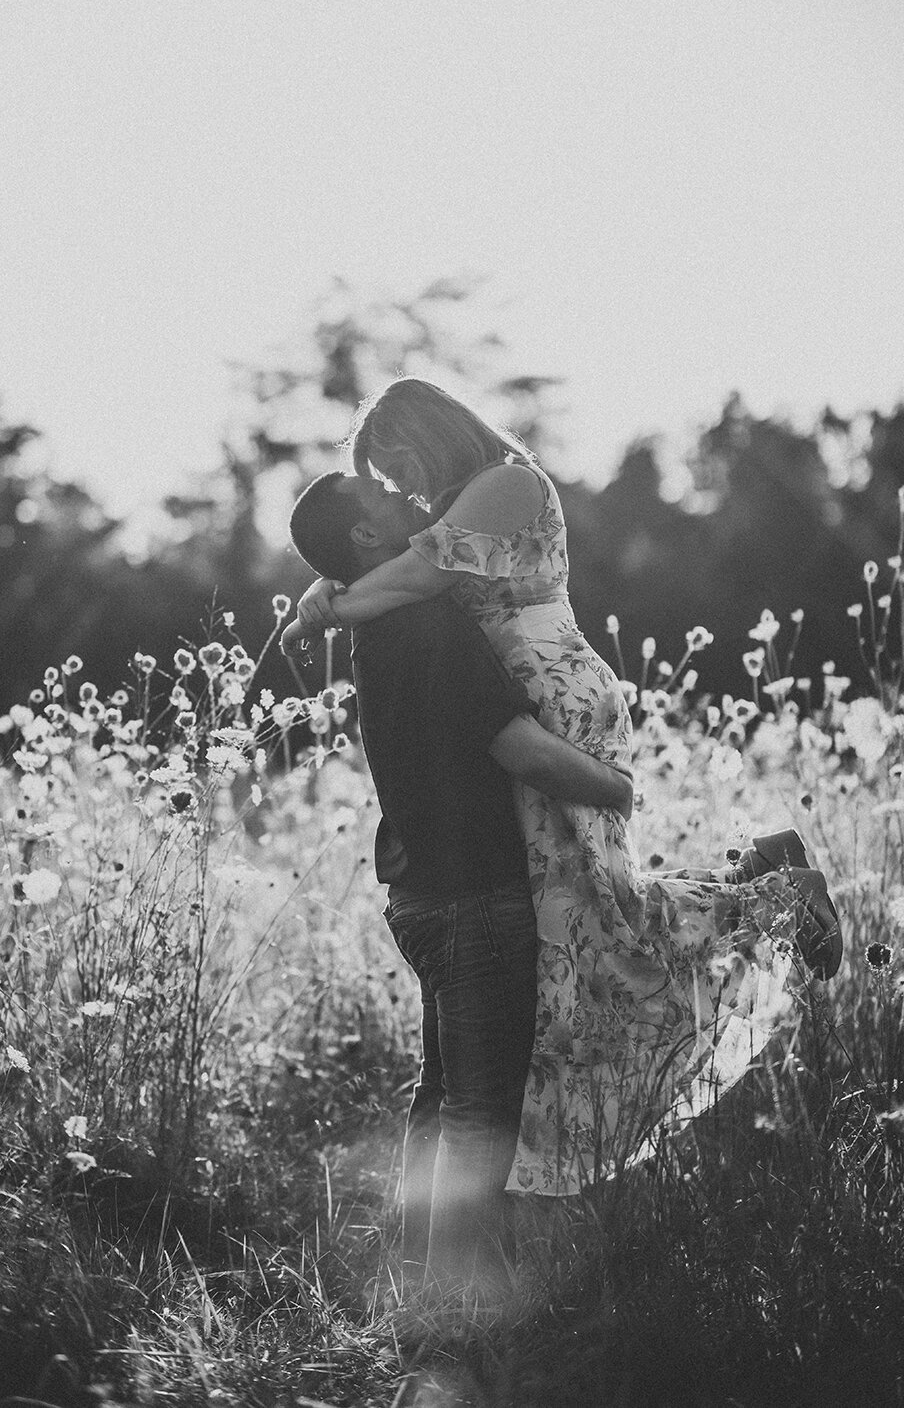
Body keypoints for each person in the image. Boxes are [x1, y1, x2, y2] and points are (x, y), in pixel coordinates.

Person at [282, 378, 841, 1201]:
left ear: (429, 430)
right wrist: (322, 596)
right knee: (589, 927)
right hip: (512, 708)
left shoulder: (508, 482)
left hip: (553, 702)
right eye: (379, 474)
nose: (396, 480)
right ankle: (759, 888)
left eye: (393, 458)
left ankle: (776, 899)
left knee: (598, 920)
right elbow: (399, 569)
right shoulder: (444, 511)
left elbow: (426, 573)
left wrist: (324, 609)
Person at [287, 469, 633, 1300]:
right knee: (483, 1114)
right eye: (382, 499)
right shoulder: (427, 618)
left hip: (420, 892)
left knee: (440, 1099)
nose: (410, 499)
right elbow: (514, 745)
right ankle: (459, 1298)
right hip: (475, 894)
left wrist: (323, 597)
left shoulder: (381, 619)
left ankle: (414, 1273)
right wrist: (614, 785)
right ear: (368, 539)